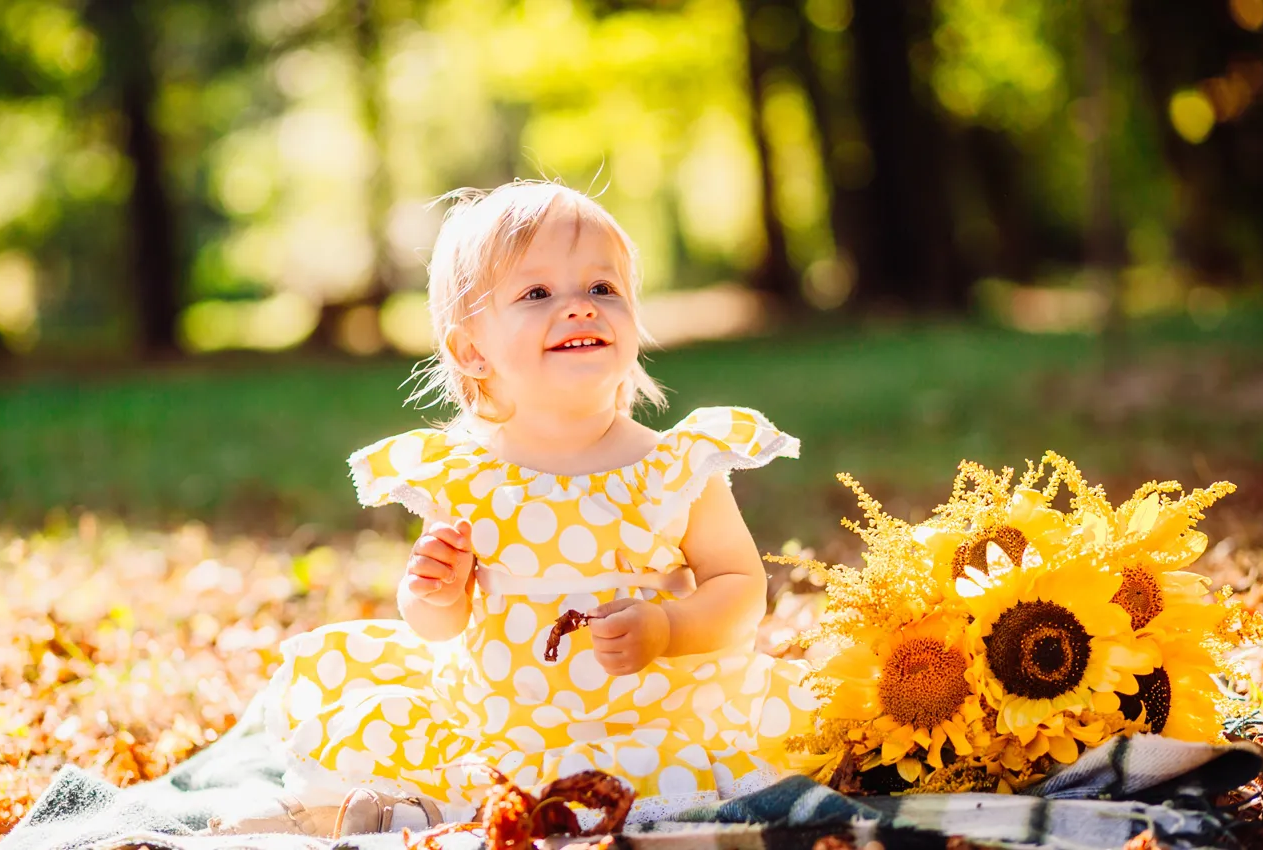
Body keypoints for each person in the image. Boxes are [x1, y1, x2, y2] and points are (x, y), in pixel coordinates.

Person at [212, 180, 818, 837]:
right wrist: (435, 589)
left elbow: (739, 586)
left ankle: (420, 814)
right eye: (537, 294)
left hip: (653, 714)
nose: (579, 307)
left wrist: (670, 627)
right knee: (445, 760)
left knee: (660, 773)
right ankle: (357, 811)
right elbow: (438, 624)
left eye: (602, 288)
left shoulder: (675, 467)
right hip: (497, 716)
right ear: (472, 350)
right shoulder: (467, 475)